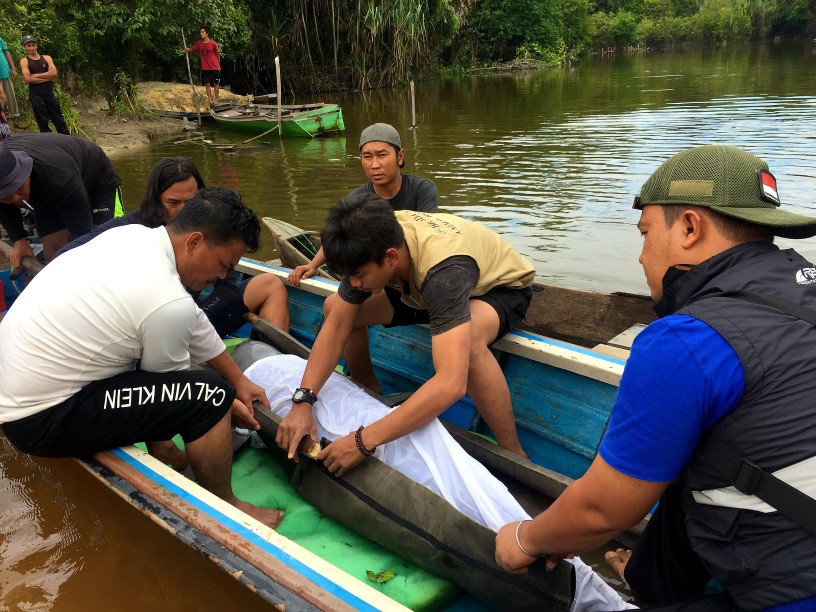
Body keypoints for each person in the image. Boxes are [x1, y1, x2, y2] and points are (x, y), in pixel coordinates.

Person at [494, 145, 816, 611]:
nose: (642, 259)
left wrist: (524, 539)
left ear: (689, 227)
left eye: (645, 233)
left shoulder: (689, 340)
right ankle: (651, 581)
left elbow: (603, 510)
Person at [0, 188, 284, 529]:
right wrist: (226, 403)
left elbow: (192, 319)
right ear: (194, 242)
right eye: (223, 264)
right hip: (42, 420)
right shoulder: (165, 300)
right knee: (208, 394)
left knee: (196, 376)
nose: (223, 277)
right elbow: (179, 390)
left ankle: (163, 452)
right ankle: (227, 507)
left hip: (18, 391)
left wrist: (240, 380)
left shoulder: (135, 236)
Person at [276, 192, 535, 475]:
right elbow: (337, 324)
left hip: (496, 289)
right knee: (333, 306)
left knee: (469, 345)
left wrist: (363, 441)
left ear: (390, 257)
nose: (353, 283)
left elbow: (451, 383)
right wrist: (303, 401)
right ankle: (369, 390)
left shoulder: (444, 271)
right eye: (348, 276)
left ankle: (515, 455)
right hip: (418, 289)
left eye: (359, 275)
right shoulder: (366, 245)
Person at [59, 157, 290, 336]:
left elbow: (227, 287)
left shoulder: (213, 225)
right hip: (151, 324)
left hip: (197, 316)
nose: (184, 212)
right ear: (156, 201)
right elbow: (68, 255)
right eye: (173, 203)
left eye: (192, 202)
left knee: (270, 284)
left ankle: (276, 366)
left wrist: (198, 317)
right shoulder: (132, 228)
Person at [288, 122, 438, 286]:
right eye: (367, 157)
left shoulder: (422, 189)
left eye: (382, 155)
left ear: (400, 157)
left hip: (410, 274)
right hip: (371, 276)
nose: (375, 165)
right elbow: (335, 235)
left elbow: (428, 237)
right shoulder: (356, 198)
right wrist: (312, 265)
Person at [0, 134, 122, 266]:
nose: (16, 198)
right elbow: (3, 208)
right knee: (54, 258)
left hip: (95, 180)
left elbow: (82, 234)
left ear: (24, 172)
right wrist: (19, 241)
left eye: (18, 187)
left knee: (102, 244)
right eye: (6, 195)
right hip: (46, 190)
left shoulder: (60, 177)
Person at [19, 34, 68, 135]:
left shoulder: (46, 58)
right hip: (35, 94)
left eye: (33, 45)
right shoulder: (24, 61)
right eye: (28, 46)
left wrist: (36, 76)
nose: (31, 48)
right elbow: (27, 78)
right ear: (25, 47)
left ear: (36, 45)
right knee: (42, 119)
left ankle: (67, 139)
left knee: (58, 117)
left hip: (48, 93)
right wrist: (46, 77)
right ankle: (47, 142)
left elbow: (54, 73)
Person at [185, 26, 221, 106]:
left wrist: (218, 64)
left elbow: (217, 54)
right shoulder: (199, 43)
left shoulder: (213, 43)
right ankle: (209, 100)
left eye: (203, 32)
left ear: (207, 33)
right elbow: (192, 49)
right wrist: (188, 49)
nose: (201, 33)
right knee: (207, 84)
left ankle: (216, 99)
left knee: (216, 83)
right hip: (205, 67)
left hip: (214, 67)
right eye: (200, 32)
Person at [0, 35, 19, 127]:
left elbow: (6, 52)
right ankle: (2, 122)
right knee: (1, 99)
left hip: (5, 71)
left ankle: (14, 120)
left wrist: (13, 68)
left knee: (11, 96)